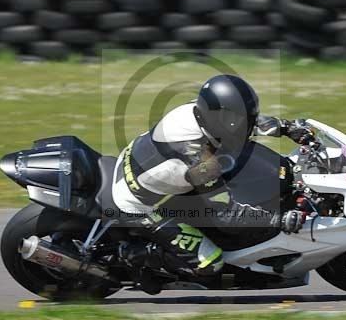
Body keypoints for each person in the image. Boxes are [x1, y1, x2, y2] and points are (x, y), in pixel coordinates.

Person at [111, 74, 314, 285]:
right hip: (137, 206)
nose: (240, 123)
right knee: (210, 262)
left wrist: (287, 127)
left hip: (144, 163)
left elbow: (241, 122)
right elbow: (226, 216)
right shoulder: (198, 157)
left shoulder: (200, 112)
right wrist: (278, 219)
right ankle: (137, 258)